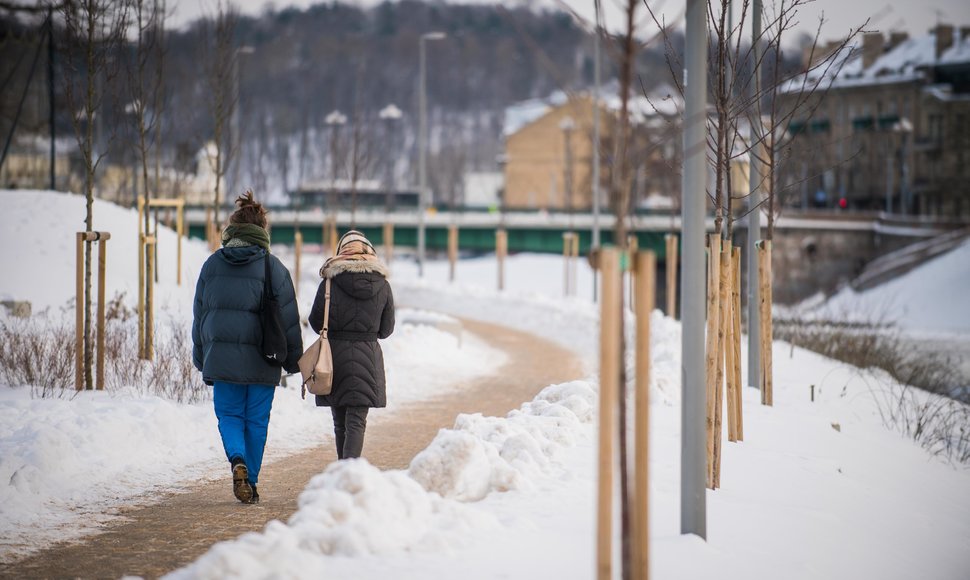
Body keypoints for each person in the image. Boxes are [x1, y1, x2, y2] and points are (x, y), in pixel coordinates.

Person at [191, 192, 303, 504]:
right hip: (263, 360)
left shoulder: (211, 266)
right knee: (256, 422)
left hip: (222, 359)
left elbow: (200, 316)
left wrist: (201, 356)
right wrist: (294, 361)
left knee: (228, 415)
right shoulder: (274, 268)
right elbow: (289, 319)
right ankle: (250, 481)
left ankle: (236, 459)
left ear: (232, 230)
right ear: (262, 231)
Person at [308, 230, 394, 460]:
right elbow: (386, 330)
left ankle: (342, 471)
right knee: (357, 421)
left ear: (341, 252)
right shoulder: (383, 285)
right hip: (367, 357)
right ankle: (349, 473)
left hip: (335, 359)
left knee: (340, 422)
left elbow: (316, 323)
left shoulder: (329, 283)